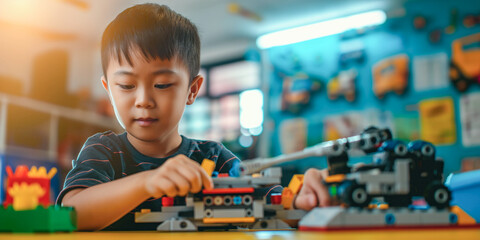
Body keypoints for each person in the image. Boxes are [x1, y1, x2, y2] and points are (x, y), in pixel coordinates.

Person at [58, 3, 330, 231]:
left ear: (192, 90)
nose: (143, 100)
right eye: (127, 86)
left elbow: (273, 203)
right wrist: (146, 182)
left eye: (162, 84)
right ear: (108, 90)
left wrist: (302, 197)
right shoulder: (103, 151)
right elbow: (72, 214)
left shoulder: (213, 159)